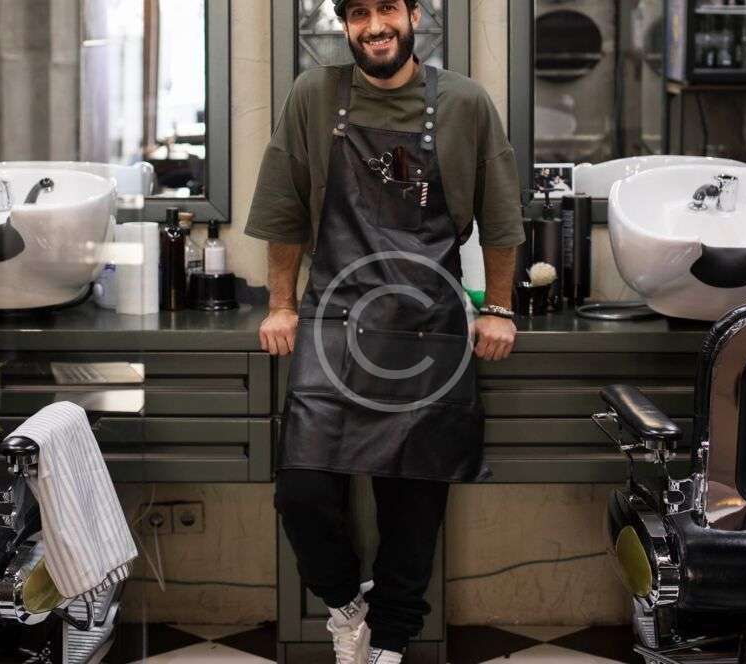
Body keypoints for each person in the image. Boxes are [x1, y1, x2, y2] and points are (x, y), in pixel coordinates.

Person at [244, 1, 524, 662]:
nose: (375, 26)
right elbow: (284, 204)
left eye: (388, 9)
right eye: (360, 13)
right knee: (302, 493)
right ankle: (347, 607)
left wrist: (500, 308)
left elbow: (501, 216)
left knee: (414, 503)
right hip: (334, 320)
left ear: (414, 15)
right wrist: (280, 304)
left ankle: (390, 642)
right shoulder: (314, 94)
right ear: (345, 24)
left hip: (427, 324)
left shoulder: (465, 103)